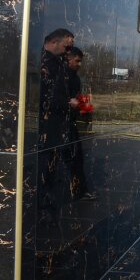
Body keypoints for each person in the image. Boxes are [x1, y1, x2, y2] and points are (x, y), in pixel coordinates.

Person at [38, 28, 76, 220]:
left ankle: (49, 206)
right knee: (45, 168)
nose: (68, 51)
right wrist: (67, 103)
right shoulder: (45, 63)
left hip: (56, 124)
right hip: (47, 125)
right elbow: (45, 96)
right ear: (54, 43)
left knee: (52, 168)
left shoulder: (58, 62)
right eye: (66, 47)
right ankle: (44, 209)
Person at [66, 46, 96, 200]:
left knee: (77, 158)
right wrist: (69, 102)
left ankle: (79, 191)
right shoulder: (61, 76)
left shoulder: (75, 78)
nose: (79, 64)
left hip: (69, 124)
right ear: (68, 59)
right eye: (77, 61)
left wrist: (83, 107)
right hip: (58, 125)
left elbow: (75, 100)